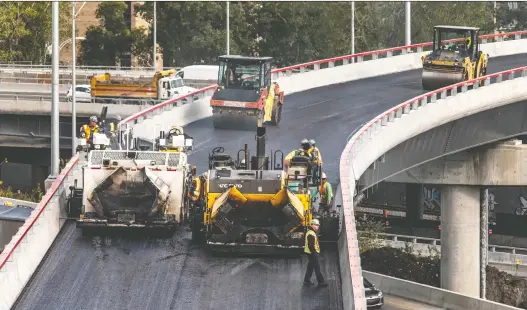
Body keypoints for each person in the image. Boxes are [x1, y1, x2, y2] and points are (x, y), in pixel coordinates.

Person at [303, 218, 328, 287]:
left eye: (318, 225)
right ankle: (321, 282)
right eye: (316, 225)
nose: (318, 226)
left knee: (310, 267)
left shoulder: (311, 232)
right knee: (317, 267)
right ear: (312, 225)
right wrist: (314, 253)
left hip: (310, 252)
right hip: (312, 253)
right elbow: (311, 245)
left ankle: (306, 280)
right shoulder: (311, 233)